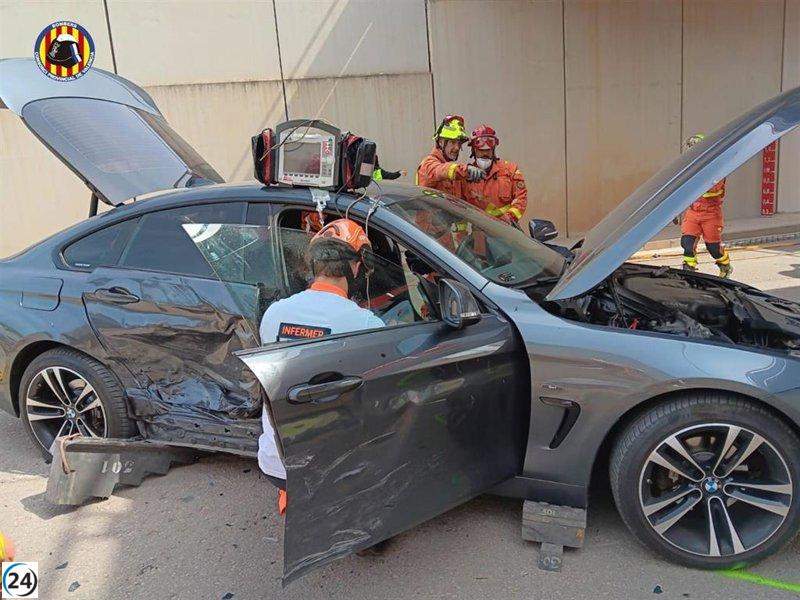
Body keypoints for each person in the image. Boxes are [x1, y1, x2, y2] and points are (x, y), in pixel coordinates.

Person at [257, 218, 385, 513]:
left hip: (277, 462)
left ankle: (293, 498)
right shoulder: (365, 324)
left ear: (313, 264)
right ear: (357, 266)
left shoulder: (274, 313)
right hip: (334, 465)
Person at [680, 133, 733, 278]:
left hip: (711, 214)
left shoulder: (718, 168)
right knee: (687, 243)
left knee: (713, 248)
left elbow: (712, 190)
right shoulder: (689, 168)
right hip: (693, 212)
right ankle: (688, 271)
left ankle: (725, 266)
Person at [463, 124, 528, 225]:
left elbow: (521, 198)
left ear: (493, 150)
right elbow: (461, 209)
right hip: (479, 231)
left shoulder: (510, 170)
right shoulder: (465, 176)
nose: (485, 154)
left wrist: (509, 219)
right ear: (474, 151)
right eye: (481, 150)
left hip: (505, 229)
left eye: (488, 150)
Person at [416, 115, 484, 197]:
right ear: (441, 142)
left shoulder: (454, 174)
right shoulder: (427, 165)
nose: (457, 148)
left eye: (459, 143)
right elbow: (440, 170)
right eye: (452, 142)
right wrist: (466, 170)